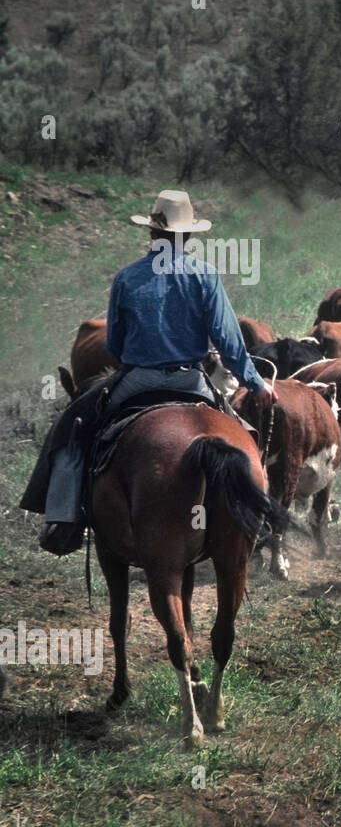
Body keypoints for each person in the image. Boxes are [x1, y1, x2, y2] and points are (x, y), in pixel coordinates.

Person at [21, 189, 277, 556]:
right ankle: (257, 517)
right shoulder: (204, 275)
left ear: (153, 233)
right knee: (243, 435)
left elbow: (117, 345)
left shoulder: (128, 279)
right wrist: (256, 383)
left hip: (138, 380)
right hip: (192, 380)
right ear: (188, 236)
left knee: (73, 426)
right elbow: (230, 342)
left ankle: (63, 520)